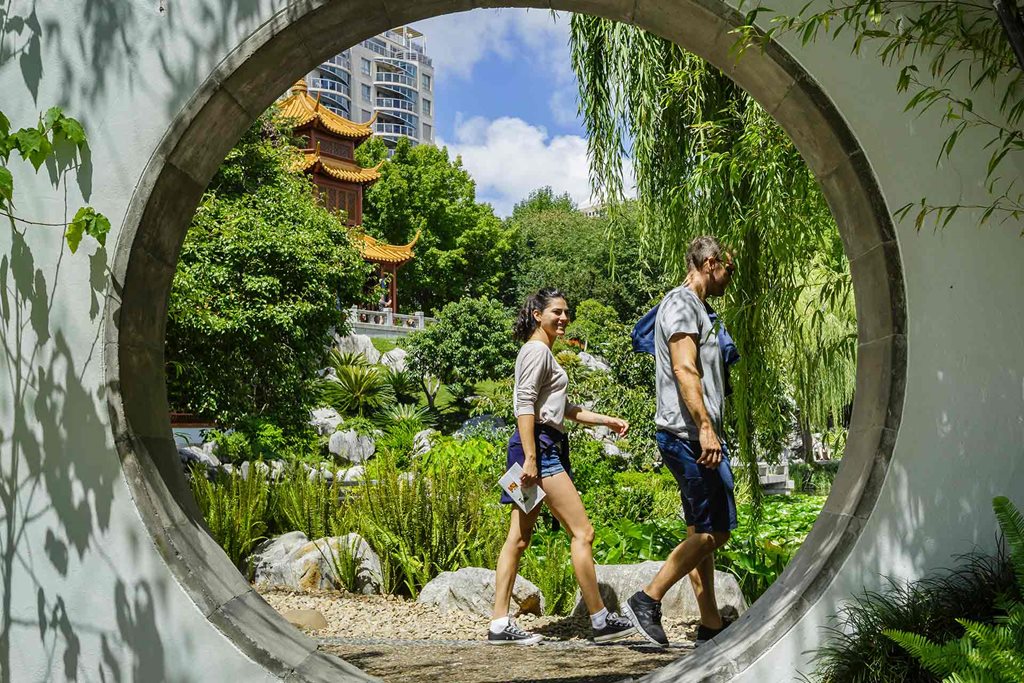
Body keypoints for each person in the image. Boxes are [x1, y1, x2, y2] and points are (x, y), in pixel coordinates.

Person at [488, 288, 636, 646]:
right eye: (557, 311)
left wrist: (607, 420)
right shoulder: (536, 351)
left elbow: (563, 410)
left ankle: (499, 623)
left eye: (567, 312)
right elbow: (524, 404)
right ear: (537, 314)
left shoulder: (543, 353)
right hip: (538, 451)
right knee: (582, 532)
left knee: (518, 538)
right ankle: (600, 619)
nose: (564, 318)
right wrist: (531, 458)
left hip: (536, 448)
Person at [623, 236, 738, 647]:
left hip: (691, 434)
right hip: (688, 435)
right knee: (716, 532)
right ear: (710, 263)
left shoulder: (698, 308)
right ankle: (646, 599)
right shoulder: (683, 304)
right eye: (728, 269)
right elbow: (684, 368)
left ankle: (710, 624)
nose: (731, 278)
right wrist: (705, 428)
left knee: (700, 532)